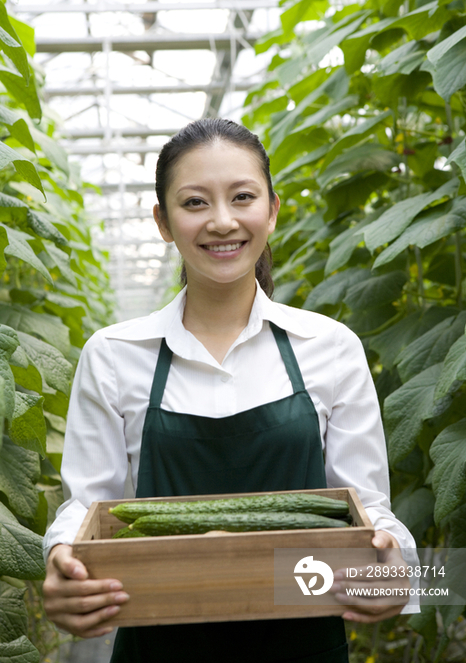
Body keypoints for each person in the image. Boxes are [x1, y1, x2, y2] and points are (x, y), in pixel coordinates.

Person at [43, 118, 417, 663]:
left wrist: (400, 574)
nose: (222, 221)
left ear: (271, 209)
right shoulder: (113, 354)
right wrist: (61, 559)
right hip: (158, 642)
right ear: (163, 222)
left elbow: (365, 509)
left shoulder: (330, 346)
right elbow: (88, 505)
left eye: (242, 197)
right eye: (194, 202)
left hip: (305, 641)